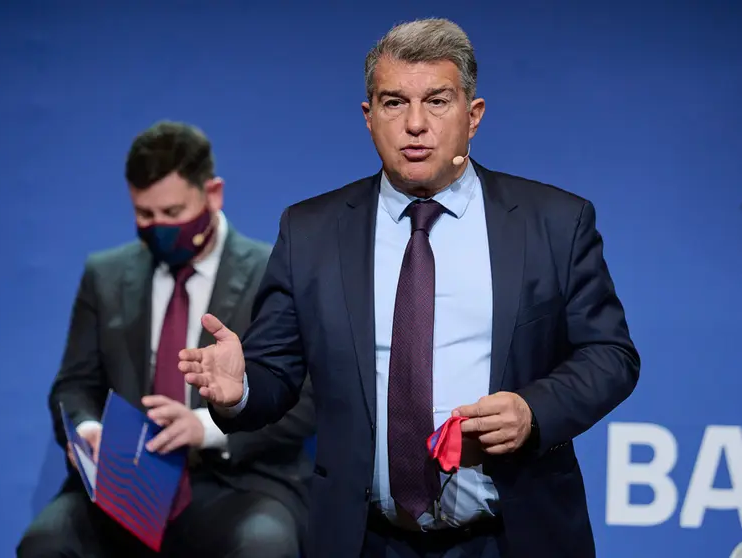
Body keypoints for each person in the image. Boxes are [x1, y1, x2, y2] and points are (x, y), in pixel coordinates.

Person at [179, 18, 640, 558]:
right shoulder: (311, 231)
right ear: (368, 117)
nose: (415, 124)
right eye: (394, 102)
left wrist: (533, 411)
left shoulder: (555, 223)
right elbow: (276, 372)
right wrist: (242, 391)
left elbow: (610, 355)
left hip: (514, 537)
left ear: (473, 116)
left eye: (438, 101)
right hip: (364, 541)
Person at [17, 121, 315, 558]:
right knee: (45, 543)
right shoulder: (106, 275)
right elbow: (74, 384)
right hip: (124, 483)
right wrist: (89, 430)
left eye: (173, 214)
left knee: (264, 546)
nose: (158, 227)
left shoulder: (275, 269)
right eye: (144, 214)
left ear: (213, 194)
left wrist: (206, 427)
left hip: (239, 482)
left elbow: (306, 398)